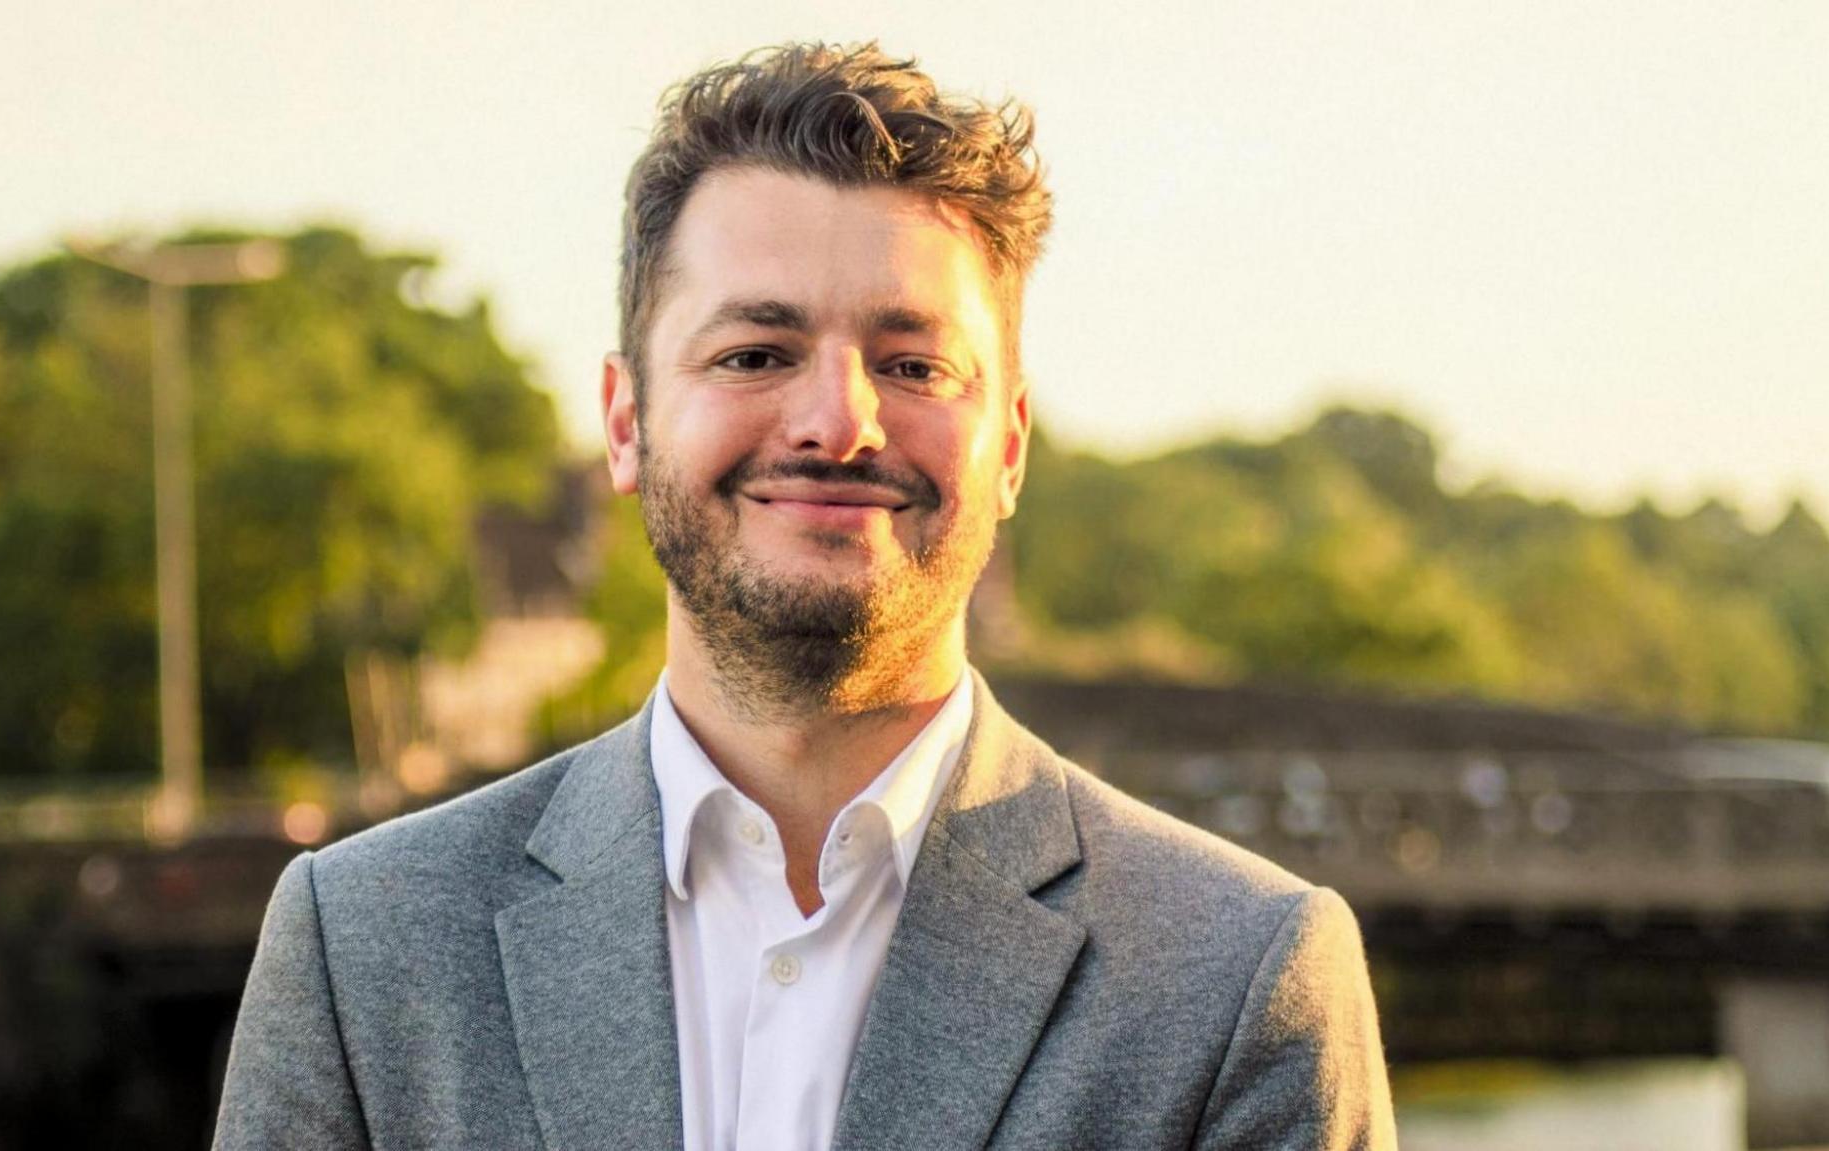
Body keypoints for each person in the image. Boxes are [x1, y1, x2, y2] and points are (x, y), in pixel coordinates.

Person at [213, 41, 1395, 1151]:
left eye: (912, 364)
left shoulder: (1239, 977)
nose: (837, 421)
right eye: (753, 354)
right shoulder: (362, 947)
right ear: (624, 422)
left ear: (1012, 443)